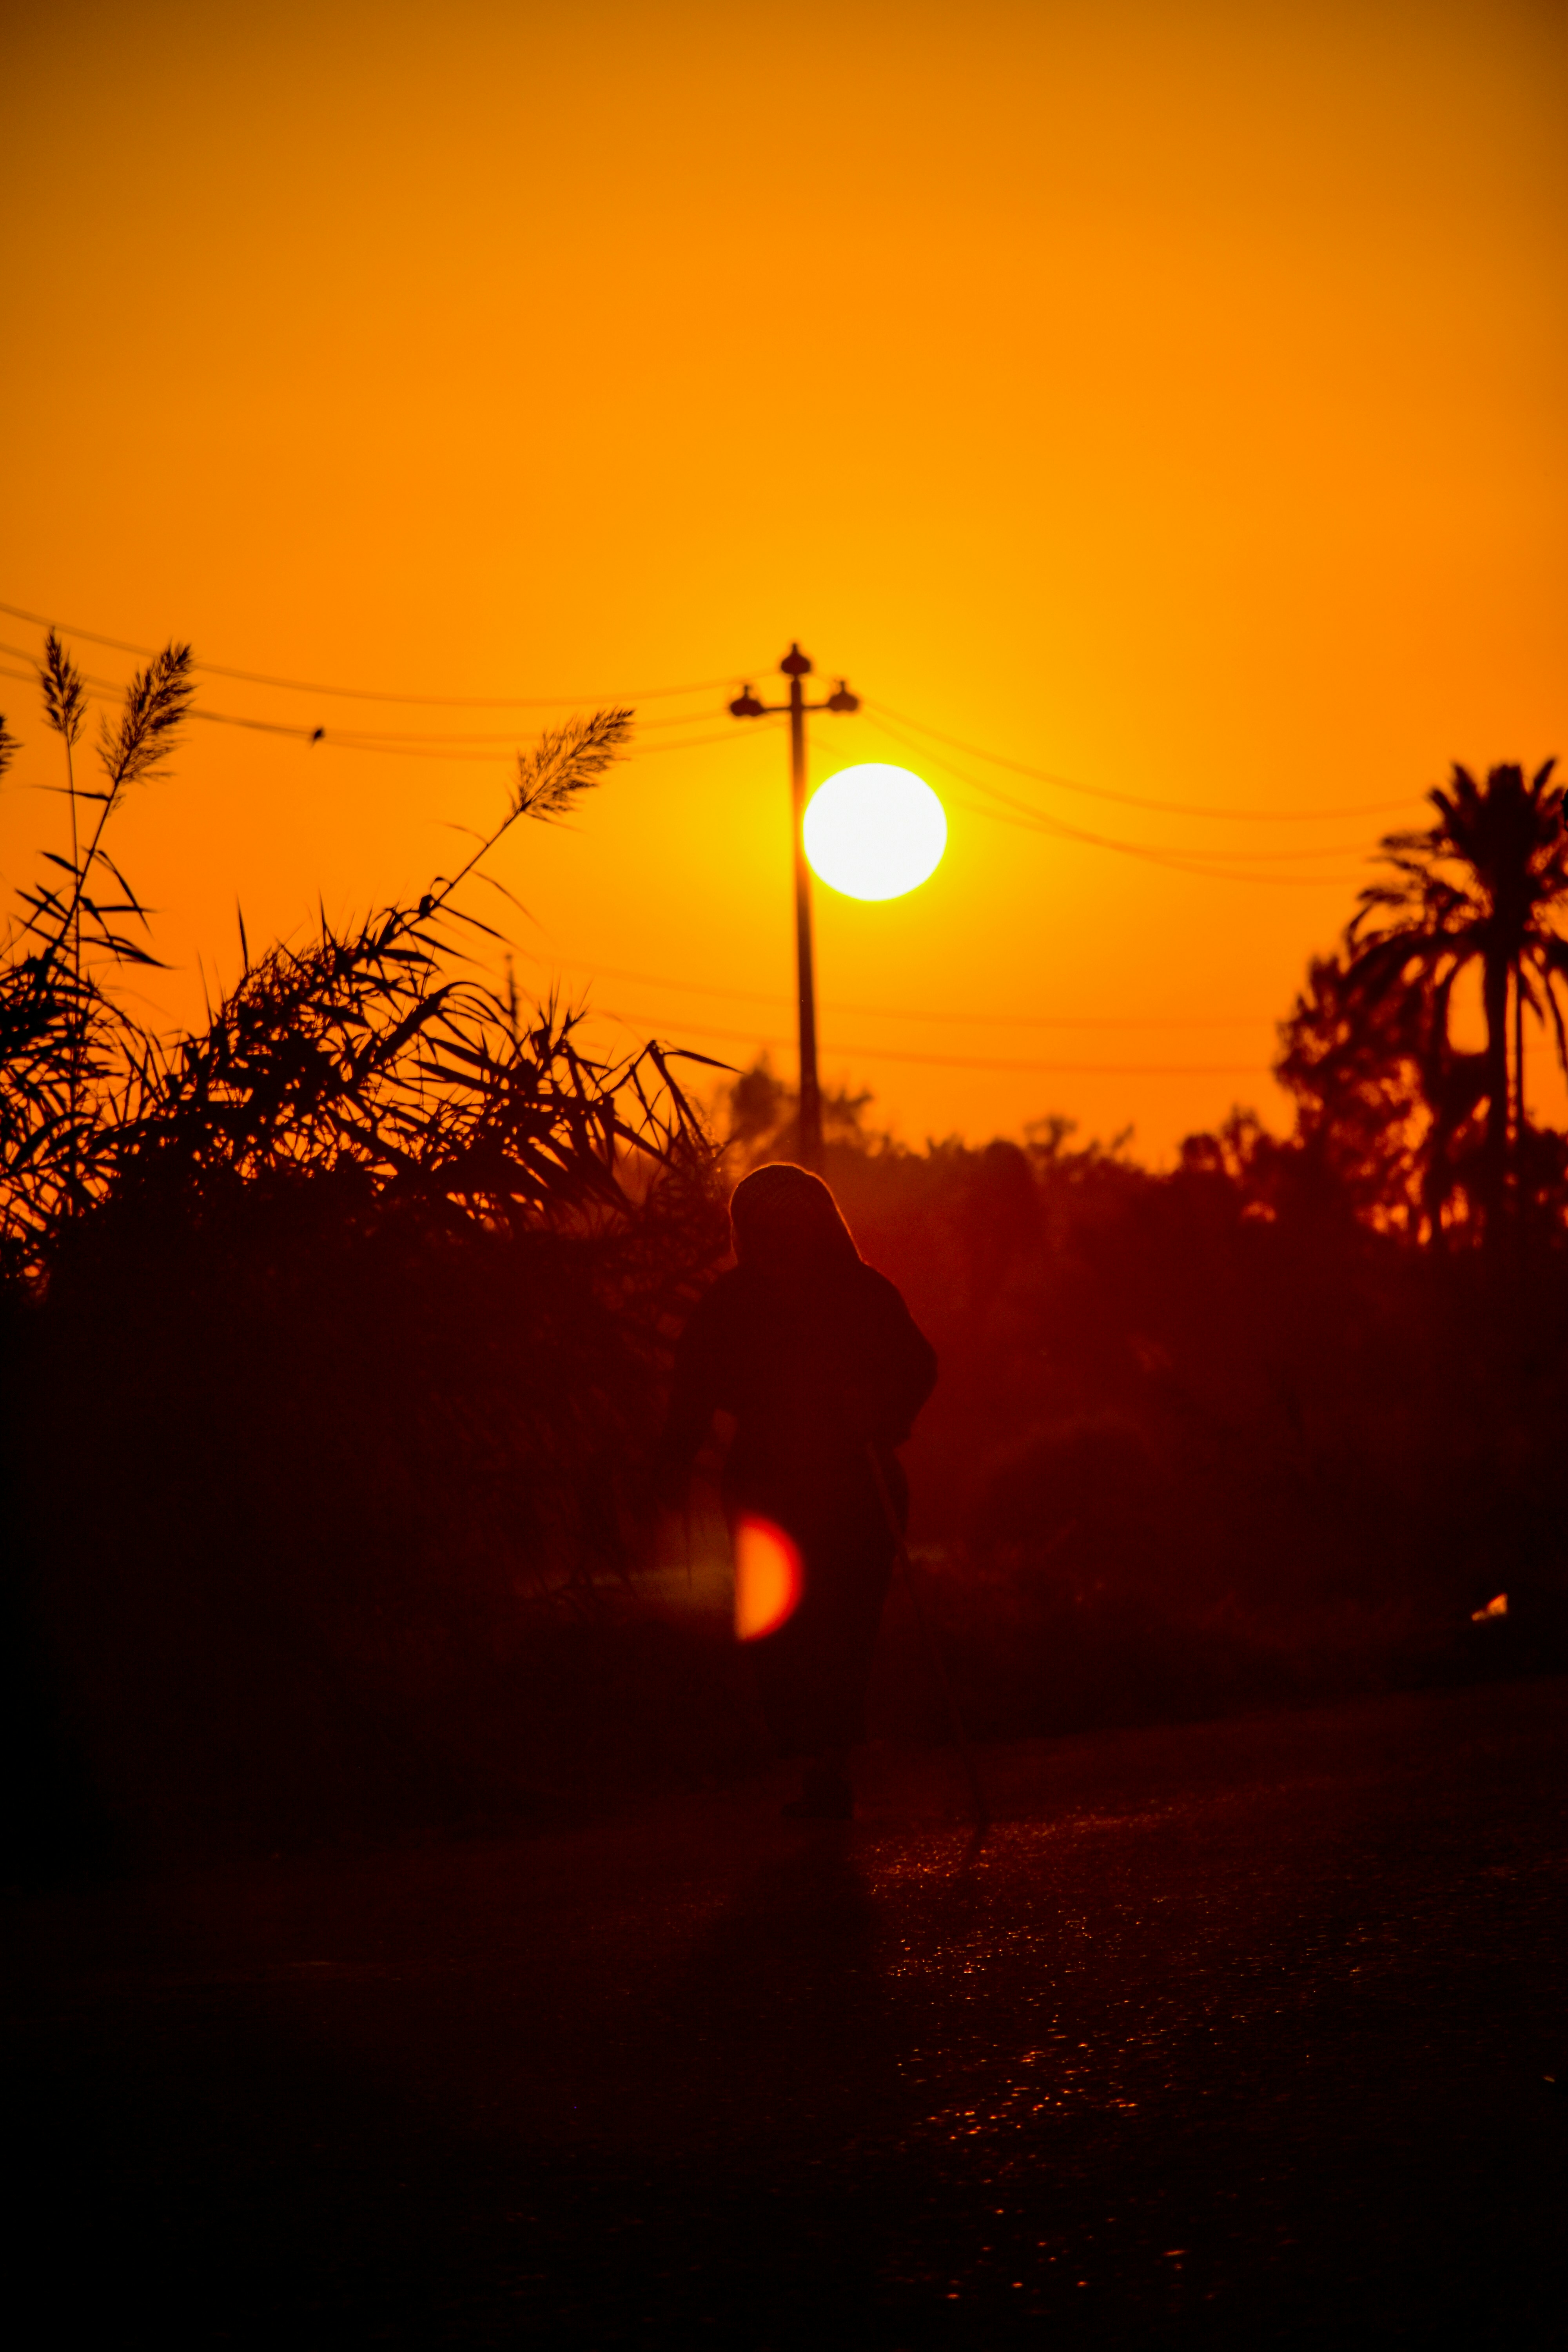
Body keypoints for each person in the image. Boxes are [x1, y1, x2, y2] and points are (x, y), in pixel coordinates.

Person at [661, 1162, 937, 1820]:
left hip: (854, 1482)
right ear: (748, 1233)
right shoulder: (731, 1304)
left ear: (820, 1230)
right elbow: (692, 1391)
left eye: (794, 1229)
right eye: (766, 1231)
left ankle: (830, 1763)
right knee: (781, 1628)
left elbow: (917, 1366)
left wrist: (880, 1407)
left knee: (842, 1625)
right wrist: (668, 1466)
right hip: (769, 1488)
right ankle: (816, 1756)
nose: (780, 1243)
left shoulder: (863, 1294)